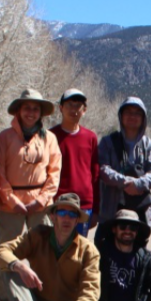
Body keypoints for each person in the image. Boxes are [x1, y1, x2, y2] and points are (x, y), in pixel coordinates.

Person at [0, 192, 101, 301]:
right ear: (53, 216)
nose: (66, 219)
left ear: (77, 220)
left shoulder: (88, 249)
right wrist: (20, 266)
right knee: (10, 267)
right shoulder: (37, 235)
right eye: (62, 213)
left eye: (72, 214)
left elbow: (90, 291)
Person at [0, 87, 63, 301]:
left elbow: (54, 173)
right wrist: (11, 200)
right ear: (19, 110)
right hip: (9, 205)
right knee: (7, 255)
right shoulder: (4, 137)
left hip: (40, 206)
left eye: (35, 108)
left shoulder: (49, 139)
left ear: (41, 113)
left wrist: (41, 200)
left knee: (41, 256)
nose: (31, 112)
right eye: (27, 107)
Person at [96, 96, 151, 227]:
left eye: (137, 113)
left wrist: (138, 183)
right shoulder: (108, 142)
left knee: (138, 246)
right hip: (111, 208)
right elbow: (102, 168)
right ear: (121, 116)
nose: (133, 116)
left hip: (141, 209)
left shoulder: (149, 145)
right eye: (128, 112)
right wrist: (125, 182)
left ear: (143, 118)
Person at [53, 88, 100, 236]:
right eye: (69, 105)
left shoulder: (90, 137)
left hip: (83, 205)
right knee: (55, 252)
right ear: (61, 108)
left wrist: (96, 209)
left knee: (78, 252)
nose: (74, 110)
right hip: (58, 204)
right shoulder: (51, 136)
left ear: (84, 110)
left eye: (78, 106)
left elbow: (95, 174)